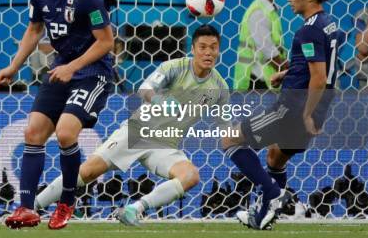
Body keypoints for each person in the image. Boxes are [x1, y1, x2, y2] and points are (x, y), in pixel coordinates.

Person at [35, 25, 229, 226]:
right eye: (203, 47)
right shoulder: (175, 67)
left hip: (166, 146)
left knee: (190, 176)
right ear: (193, 49)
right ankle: (33, 206)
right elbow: (145, 89)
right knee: (88, 172)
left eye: (213, 47)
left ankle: (133, 210)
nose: (208, 52)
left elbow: (226, 127)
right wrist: (161, 102)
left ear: (219, 50)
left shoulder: (220, 88)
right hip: (138, 132)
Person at [0, 0, 114, 230]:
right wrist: (13, 66)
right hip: (62, 68)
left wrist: (73, 67)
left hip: (92, 72)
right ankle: (25, 208)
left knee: (64, 133)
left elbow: (106, 42)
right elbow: (34, 30)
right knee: (33, 131)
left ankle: (66, 202)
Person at [222, 0, 340, 230]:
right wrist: (287, 74)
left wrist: (307, 113)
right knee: (275, 157)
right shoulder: (328, 25)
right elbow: (323, 67)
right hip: (317, 109)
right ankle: (273, 212)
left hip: (294, 108)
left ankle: (274, 195)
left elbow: (319, 77)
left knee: (230, 140)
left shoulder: (308, 30)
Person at [234, 0, 287, 90]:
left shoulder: (268, 9)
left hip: (266, 78)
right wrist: (287, 70)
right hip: (257, 80)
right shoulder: (258, 12)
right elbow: (267, 49)